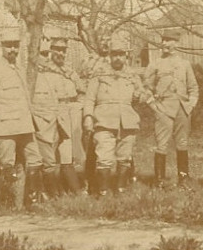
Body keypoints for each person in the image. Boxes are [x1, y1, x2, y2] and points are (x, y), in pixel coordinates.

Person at [0, 28, 44, 210]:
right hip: (6, 127)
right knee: (7, 165)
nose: (12, 50)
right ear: (1, 47)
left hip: (25, 125)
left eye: (15, 46)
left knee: (35, 159)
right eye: (8, 46)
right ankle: (9, 203)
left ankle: (31, 201)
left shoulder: (19, 68)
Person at [82, 37, 144, 195]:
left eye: (121, 54)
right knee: (104, 159)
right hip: (104, 122)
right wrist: (88, 117)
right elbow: (89, 98)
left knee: (125, 158)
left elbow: (142, 94)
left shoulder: (132, 76)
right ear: (109, 56)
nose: (118, 58)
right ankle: (103, 192)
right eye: (114, 54)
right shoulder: (99, 75)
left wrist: (139, 96)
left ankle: (121, 190)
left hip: (128, 123)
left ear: (126, 56)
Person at [143, 28, 199, 188]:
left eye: (169, 40)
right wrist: (153, 105)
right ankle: (159, 180)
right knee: (161, 144)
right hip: (163, 108)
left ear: (176, 43)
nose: (165, 43)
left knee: (182, 143)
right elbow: (146, 87)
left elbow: (193, 88)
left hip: (182, 108)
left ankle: (184, 178)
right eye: (163, 40)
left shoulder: (184, 64)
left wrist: (191, 104)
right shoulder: (155, 64)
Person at [30, 35, 86, 195]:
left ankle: (72, 190)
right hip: (50, 114)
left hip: (70, 114)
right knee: (50, 154)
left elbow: (82, 90)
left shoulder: (69, 71)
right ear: (50, 50)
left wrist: (78, 107)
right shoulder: (43, 70)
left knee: (71, 153)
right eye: (57, 50)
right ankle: (53, 192)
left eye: (63, 50)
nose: (60, 53)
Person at [78, 36, 111, 196]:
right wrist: (87, 114)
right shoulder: (89, 61)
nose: (105, 43)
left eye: (108, 41)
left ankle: (119, 184)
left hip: (110, 110)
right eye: (103, 40)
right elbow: (83, 85)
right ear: (96, 43)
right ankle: (90, 183)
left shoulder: (115, 60)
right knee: (90, 148)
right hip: (92, 108)